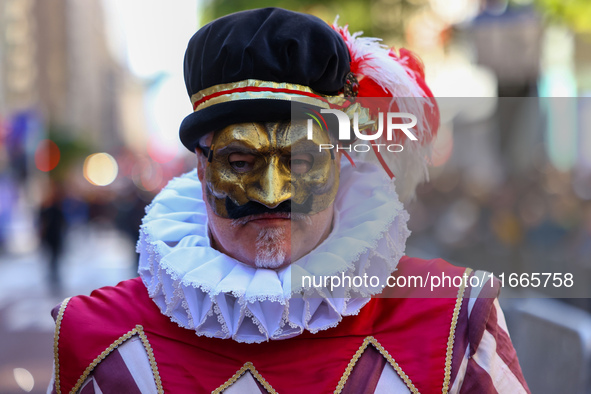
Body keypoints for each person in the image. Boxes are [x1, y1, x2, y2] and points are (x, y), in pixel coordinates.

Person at [49, 8, 530, 393]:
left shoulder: (453, 317)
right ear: (201, 166)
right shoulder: (95, 340)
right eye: (239, 162)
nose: (272, 194)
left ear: (340, 164)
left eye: (301, 163)